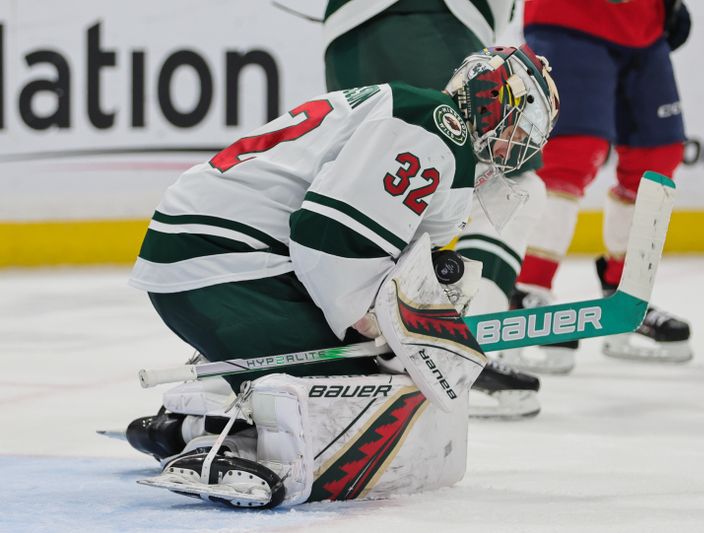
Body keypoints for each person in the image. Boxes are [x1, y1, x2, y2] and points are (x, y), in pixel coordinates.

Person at [125, 44, 559, 508]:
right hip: (227, 264)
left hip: (207, 259)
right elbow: (328, 240)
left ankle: (187, 418)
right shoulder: (436, 126)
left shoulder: (424, 121)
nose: (519, 143)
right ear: (495, 103)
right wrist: (377, 322)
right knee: (359, 391)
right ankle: (216, 440)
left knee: (363, 371)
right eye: (520, 124)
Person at [324, 0, 554, 417]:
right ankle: (458, 352)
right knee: (511, 181)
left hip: (347, 31)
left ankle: (388, 342)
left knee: (387, 173)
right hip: (438, 16)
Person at [495, 0, 694, 375]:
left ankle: (627, 293)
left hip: (643, 24)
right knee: (570, 153)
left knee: (657, 153)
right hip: (569, 19)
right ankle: (526, 294)